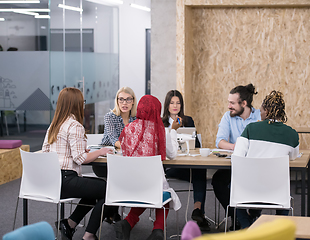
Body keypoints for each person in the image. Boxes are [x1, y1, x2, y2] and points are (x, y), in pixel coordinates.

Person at [42, 87, 119, 240]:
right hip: (66, 180)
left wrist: (78, 151)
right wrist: (101, 151)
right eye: (82, 101)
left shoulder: (54, 125)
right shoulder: (74, 125)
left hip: (52, 180)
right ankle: (89, 235)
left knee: (93, 190)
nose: (84, 104)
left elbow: (46, 152)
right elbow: (81, 159)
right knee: (110, 189)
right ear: (75, 103)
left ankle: (69, 224)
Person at [115, 95, 181, 240]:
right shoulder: (160, 130)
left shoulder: (128, 128)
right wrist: (173, 131)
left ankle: (127, 223)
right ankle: (157, 230)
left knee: (145, 193)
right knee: (165, 197)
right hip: (151, 184)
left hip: (128, 184)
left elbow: (123, 152)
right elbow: (172, 155)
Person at [232, 90, 299, 228]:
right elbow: (293, 157)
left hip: (247, 192)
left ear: (267, 111)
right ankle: (278, 229)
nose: (260, 113)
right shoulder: (292, 134)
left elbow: (237, 158)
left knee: (231, 187)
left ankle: (246, 226)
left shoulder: (251, 129)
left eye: (261, 110)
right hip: (277, 193)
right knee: (285, 190)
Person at [211, 83, 261, 230]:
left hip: (256, 166)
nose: (229, 106)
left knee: (258, 183)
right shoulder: (228, 117)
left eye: (232, 103)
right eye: (229, 102)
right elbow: (220, 141)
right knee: (218, 181)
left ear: (244, 103)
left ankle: (252, 214)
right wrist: (238, 147)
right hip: (235, 165)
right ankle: (238, 216)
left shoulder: (259, 116)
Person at [162, 90, 210, 231]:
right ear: (167, 105)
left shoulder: (187, 120)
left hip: (186, 162)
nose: (175, 106)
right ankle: (200, 214)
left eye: (178, 103)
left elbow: (197, 145)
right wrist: (172, 129)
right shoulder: (161, 121)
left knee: (200, 171)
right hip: (169, 166)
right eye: (172, 103)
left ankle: (197, 210)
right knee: (196, 173)